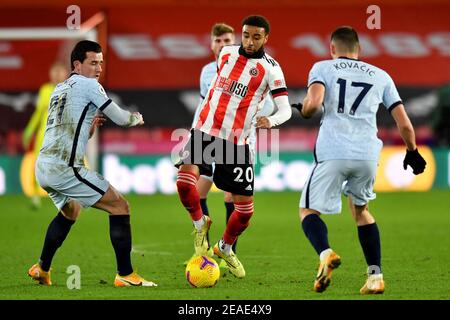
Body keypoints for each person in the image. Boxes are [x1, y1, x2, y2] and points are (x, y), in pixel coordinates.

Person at [293, 26, 426, 294]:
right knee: (361, 211)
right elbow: (405, 123)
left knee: (308, 211)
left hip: (333, 151)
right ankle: (375, 277)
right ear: (359, 50)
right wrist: (412, 150)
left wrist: (303, 110)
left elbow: (314, 103)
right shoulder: (381, 76)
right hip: (367, 154)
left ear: (332, 49)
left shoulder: (323, 68)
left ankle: (325, 253)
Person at [27, 40, 157, 287]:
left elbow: (68, 129)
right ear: (77, 64)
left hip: (44, 166)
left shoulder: (60, 88)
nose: (98, 68)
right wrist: (135, 119)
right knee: (120, 206)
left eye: (101, 63)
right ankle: (126, 275)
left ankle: (41, 268)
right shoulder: (90, 85)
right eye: (92, 63)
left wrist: (88, 127)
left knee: (71, 210)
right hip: (65, 167)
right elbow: (120, 117)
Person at [176, 15, 291, 278]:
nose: (250, 42)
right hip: (205, 131)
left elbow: (285, 110)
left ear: (266, 38)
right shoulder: (226, 54)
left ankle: (225, 247)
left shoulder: (271, 69)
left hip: (237, 143)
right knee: (184, 182)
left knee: (244, 213)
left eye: (256, 37)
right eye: (246, 35)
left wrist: (270, 120)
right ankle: (199, 224)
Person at [22, 61, 69, 209]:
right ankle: (35, 195)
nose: (56, 75)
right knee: (39, 165)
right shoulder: (44, 90)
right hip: (44, 133)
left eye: (59, 72)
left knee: (64, 165)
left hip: (62, 134)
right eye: (54, 72)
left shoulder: (70, 90)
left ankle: (67, 196)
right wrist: (30, 130)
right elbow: (39, 113)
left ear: (65, 74)